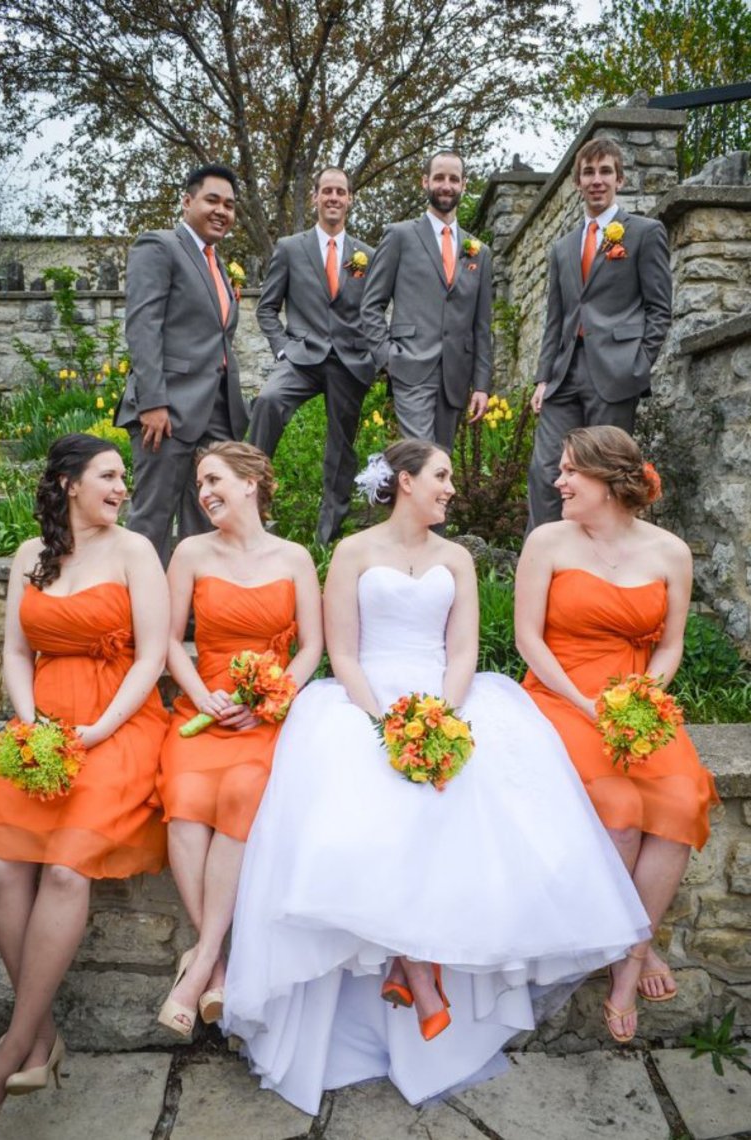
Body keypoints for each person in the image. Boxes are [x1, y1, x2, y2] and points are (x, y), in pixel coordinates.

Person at [222, 439, 650, 1114]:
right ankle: (417, 974)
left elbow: (462, 649)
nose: (452, 488)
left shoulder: (457, 559)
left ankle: (412, 968)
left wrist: (439, 719)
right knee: (380, 809)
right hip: (363, 703)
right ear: (405, 482)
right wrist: (385, 725)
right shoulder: (355, 553)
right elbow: (343, 652)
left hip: (446, 699)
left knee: (462, 809)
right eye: (442, 476)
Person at [517, 425, 719, 1043]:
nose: (559, 482)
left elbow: (671, 644)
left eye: (570, 471)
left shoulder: (669, 552)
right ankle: (632, 951)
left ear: (607, 482)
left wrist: (644, 696)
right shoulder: (547, 541)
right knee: (621, 811)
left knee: (683, 800)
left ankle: (631, 950)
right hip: (559, 693)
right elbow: (528, 638)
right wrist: (584, 703)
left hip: (636, 700)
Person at [0, 434, 168, 1124]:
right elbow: (14, 651)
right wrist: (28, 723)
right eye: (109, 475)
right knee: (3, 866)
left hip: (118, 723)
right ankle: (41, 1036)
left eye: (123, 476)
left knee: (66, 870)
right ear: (69, 483)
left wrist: (96, 731)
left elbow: (152, 655)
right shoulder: (31, 555)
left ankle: (9, 1050)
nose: (122, 487)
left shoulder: (135, 552)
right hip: (42, 725)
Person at [155, 442, 322, 1038]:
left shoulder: (295, 557)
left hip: (266, 712)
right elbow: (171, 640)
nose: (204, 493)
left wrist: (270, 698)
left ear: (252, 482)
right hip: (204, 704)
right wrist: (202, 696)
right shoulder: (191, 552)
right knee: (185, 795)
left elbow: (312, 649)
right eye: (200, 484)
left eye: (215, 479)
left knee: (245, 790)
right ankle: (216, 962)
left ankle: (197, 964)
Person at [526, 137, 672, 531]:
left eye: (605, 171)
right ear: (577, 182)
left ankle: (601, 569)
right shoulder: (562, 248)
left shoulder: (644, 233)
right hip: (564, 374)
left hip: (615, 373)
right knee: (545, 471)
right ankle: (545, 563)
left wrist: (637, 366)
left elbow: (659, 309)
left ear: (619, 179)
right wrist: (543, 377)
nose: (596, 180)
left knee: (604, 475)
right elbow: (555, 319)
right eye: (588, 172)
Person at [116, 162, 249, 566]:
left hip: (217, 412)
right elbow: (143, 327)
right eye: (212, 200)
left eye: (229, 204)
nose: (221, 210)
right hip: (168, 410)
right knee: (153, 516)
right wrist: (152, 402)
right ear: (187, 201)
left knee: (206, 515)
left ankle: (192, 610)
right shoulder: (159, 246)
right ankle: (141, 613)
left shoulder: (218, 264)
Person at [250, 167, 376, 545]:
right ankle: (251, 501)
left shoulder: (367, 256)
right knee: (268, 401)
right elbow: (266, 308)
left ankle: (328, 539)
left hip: (349, 360)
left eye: (341, 191)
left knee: (341, 447)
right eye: (327, 191)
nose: (334, 197)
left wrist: (373, 355)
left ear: (350, 198)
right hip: (301, 356)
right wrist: (283, 347)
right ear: (315, 198)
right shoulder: (290, 248)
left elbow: (374, 311)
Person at [360, 152, 492, 450]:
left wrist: (482, 384)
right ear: (425, 182)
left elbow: (482, 324)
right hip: (410, 367)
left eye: (454, 179)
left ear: (463, 185)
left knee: (442, 460)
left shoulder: (479, 252)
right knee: (420, 456)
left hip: (456, 375)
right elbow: (371, 305)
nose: (447, 185)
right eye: (440, 178)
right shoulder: (399, 236)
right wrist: (387, 358)